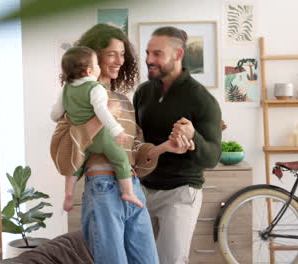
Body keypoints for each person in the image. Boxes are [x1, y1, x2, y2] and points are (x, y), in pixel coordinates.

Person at [50, 24, 194, 264]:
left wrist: (164, 148)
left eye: (123, 54)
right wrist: (100, 117)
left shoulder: (124, 102)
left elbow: (135, 150)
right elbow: (63, 158)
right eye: (111, 54)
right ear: (93, 57)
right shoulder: (76, 100)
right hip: (103, 189)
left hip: (133, 186)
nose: (119, 60)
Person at [133, 26, 222, 264]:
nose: (149, 60)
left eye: (157, 54)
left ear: (179, 55)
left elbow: (212, 157)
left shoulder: (201, 100)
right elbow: (136, 141)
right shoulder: (142, 93)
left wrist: (194, 137)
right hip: (143, 189)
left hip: (180, 193)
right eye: (148, 53)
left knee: (170, 261)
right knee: (138, 259)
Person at [52, 45, 143, 209]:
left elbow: (55, 113)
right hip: (101, 137)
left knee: (76, 165)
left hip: (83, 139)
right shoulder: (95, 88)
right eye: (96, 64)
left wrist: (62, 117)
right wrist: (117, 130)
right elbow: (103, 112)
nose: (99, 68)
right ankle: (128, 192)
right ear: (89, 71)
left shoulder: (66, 89)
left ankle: (68, 194)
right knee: (120, 159)